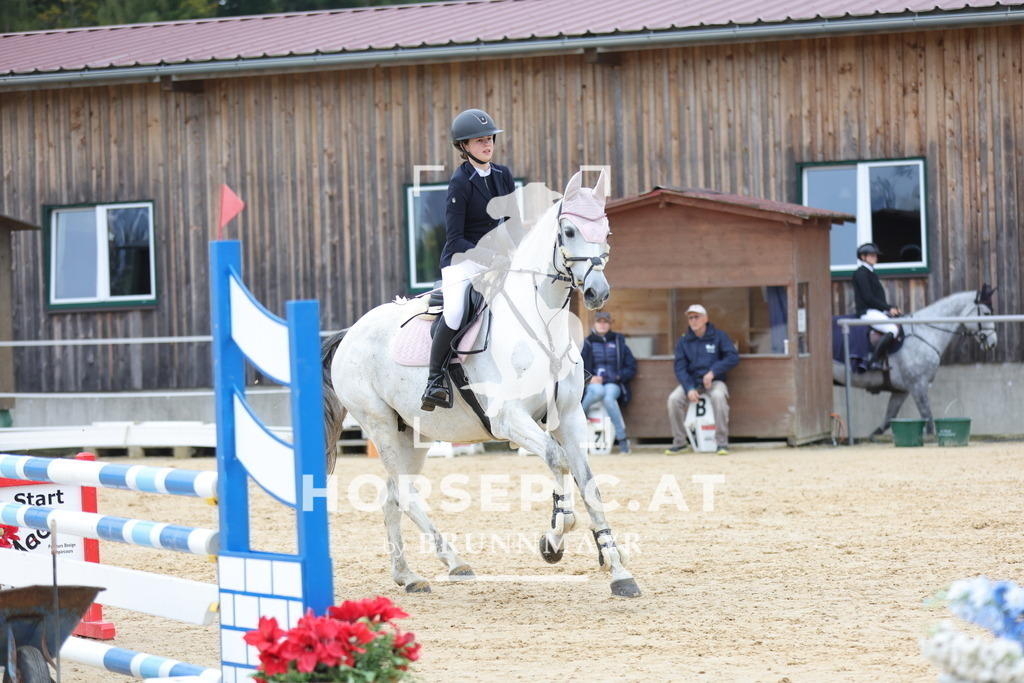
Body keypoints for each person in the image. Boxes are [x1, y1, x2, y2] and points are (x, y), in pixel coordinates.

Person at [422, 108, 518, 411]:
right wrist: (490, 256)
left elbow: (513, 225)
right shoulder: (460, 182)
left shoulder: (503, 175)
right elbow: (455, 239)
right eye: (479, 140)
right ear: (464, 146)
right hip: (462, 259)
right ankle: (434, 380)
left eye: (489, 138)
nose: (487, 144)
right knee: (456, 311)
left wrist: (521, 254)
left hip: (497, 258)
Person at [666, 304, 739, 456]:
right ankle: (680, 443)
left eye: (697, 317)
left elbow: (732, 357)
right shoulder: (683, 341)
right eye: (690, 318)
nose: (694, 320)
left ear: (705, 319)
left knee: (718, 396)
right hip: (692, 382)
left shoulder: (719, 336)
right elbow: (679, 368)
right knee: (673, 399)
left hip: (715, 381)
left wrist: (713, 372)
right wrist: (689, 388)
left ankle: (721, 443)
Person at [581, 312, 637, 454]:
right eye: (599, 321)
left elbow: (631, 366)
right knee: (598, 391)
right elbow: (579, 367)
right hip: (594, 384)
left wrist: (618, 376)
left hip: (614, 383)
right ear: (594, 324)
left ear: (609, 324)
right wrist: (590, 378)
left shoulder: (618, 341)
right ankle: (580, 417)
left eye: (605, 321)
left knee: (608, 398)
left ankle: (622, 440)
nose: (602, 324)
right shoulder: (588, 342)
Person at [852, 242, 901, 371]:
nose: (875, 257)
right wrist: (888, 308)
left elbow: (877, 298)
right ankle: (873, 361)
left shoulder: (870, 273)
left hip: (875, 311)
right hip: (866, 312)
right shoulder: (861, 274)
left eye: (876, 255)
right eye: (872, 255)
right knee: (892, 330)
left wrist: (889, 308)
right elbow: (868, 298)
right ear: (863, 257)